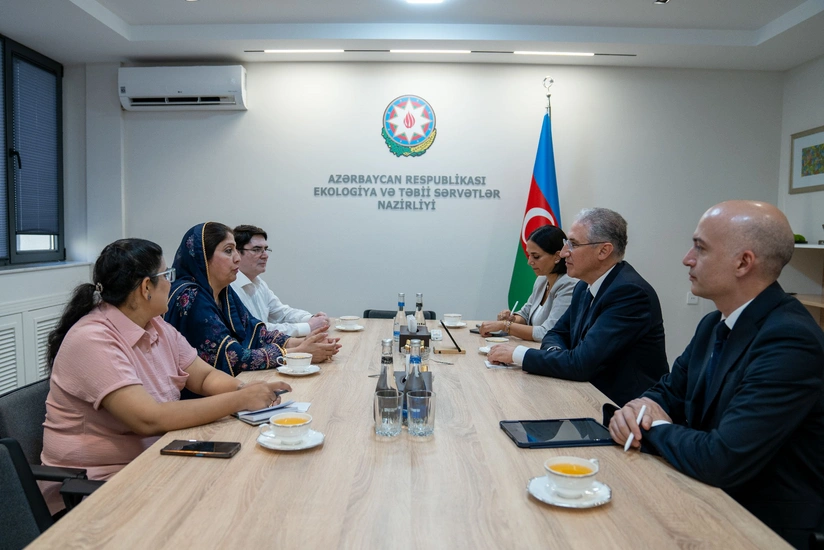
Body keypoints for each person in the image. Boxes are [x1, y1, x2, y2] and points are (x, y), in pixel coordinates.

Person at [608, 201, 824, 548]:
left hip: (762, 527)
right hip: (704, 496)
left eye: (700, 247)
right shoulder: (714, 323)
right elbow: (668, 391)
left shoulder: (790, 340)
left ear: (744, 263)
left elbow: (722, 458)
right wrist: (639, 408)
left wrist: (651, 427)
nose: (687, 259)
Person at [41, 238, 290, 513]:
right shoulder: (92, 339)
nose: (171, 283)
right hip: (96, 489)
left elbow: (204, 377)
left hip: (154, 462)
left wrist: (245, 389)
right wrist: (240, 400)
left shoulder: (156, 325)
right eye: (166, 275)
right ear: (146, 287)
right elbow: (149, 419)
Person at [488, 207, 668, 406]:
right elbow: (555, 333)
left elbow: (582, 364)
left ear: (603, 251)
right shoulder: (583, 286)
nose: (564, 253)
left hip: (624, 410)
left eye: (572, 244)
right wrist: (559, 355)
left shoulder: (629, 293)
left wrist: (517, 354)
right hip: (586, 394)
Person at [165, 223, 339, 379]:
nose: (237, 259)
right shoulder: (191, 297)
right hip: (198, 400)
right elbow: (232, 358)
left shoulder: (224, 292)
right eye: (228, 251)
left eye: (235, 250)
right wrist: (296, 353)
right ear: (203, 257)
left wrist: (304, 343)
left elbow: (256, 332)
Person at [479, 225, 577, 341]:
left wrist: (505, 326)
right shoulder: (542, 279)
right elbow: (525, 315)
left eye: (536, 256)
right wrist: (512, 319)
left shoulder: (570, 284)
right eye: (529, 255)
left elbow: (548, 332)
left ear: (557, 256)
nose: (529, 262)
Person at [231, 224, 329, 337]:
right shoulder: (230, 287)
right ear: (236, 253)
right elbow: (257, 331)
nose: (265, 255)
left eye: (265, 249)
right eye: (257, 250)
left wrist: (311, 318)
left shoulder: (258, 282)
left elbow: (282, 313)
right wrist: (308, 326)